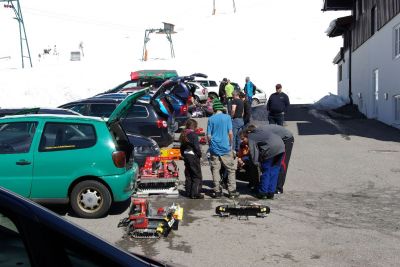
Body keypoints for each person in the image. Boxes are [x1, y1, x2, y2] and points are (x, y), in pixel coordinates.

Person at [240, 125, 284, 199]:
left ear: (246, 135)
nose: (242, 141)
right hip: (281, 147)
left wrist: (256, 163)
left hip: (271, 149)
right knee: (274, 170)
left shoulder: (251, 137)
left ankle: (262, 192)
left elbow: (254, 152)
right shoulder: (260, 132)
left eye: (243, 139)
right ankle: (271, 192)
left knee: (266, 170)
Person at [207, 98, 239, 199]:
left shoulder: (211, 119)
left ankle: (217, 191)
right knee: (230, 169)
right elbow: (230, 133)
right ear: (221, 108)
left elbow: (208, 135)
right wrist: (231, 145)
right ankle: (232, 191)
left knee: (215, 169)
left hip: (214, 148)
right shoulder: (227, 117)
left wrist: (210, 145)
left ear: (214, 109)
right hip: (225, 147)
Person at [255, 124, 294, 194]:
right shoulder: (260, 132)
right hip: (279, 141)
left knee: (282, 164)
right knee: (273, 165)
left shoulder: (261, 133)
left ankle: (279, 188)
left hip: (287, 139)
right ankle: (271, 187)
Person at [179, 119, 204, 199]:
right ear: (194, 126)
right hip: (193, 156)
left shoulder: (183, 133)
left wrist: (183, 155)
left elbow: (181, 147)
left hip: (186, 156)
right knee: (196, 176)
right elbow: (196, 147)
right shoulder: (193, 135)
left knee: (189, 175)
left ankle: (188, 192)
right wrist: (199, 155)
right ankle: (195, 193)